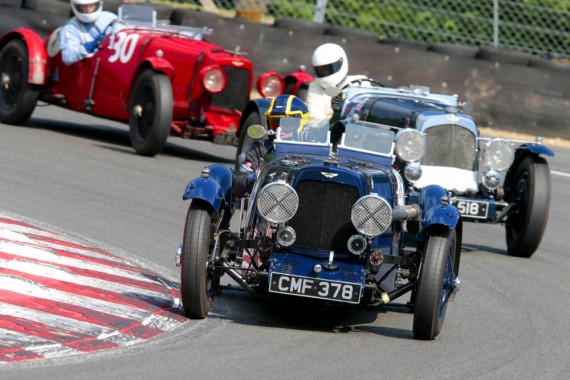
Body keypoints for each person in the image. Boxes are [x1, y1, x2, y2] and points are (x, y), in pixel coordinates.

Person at [232, 94, 309, 198]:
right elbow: (237, 180)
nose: (279, 130)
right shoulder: (261, 148)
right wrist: (253, 178)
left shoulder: (314, 151)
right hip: (266, 205)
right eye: (275, 123)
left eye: (287, 124)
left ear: (301, 123)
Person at [306, 43, 373, 123]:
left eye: (328, 69)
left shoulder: (361, 83)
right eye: (321, 70)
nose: (325, 73)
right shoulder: (315, 86)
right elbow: (315, 122)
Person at [60, 0, 118, 65]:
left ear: (98, 4)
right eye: (84, 6)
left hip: (113, 60)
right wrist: (91, 45)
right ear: (76, 6)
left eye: (92, 5)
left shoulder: (110, 17)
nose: (88, 9)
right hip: (91, 68)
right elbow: (67, 57)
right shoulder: (70, 28)